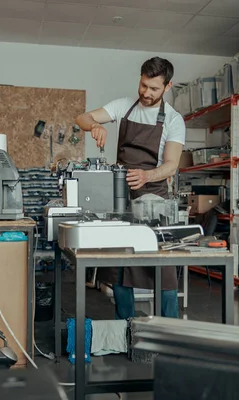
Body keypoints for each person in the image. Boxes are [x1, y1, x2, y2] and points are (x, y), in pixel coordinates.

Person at [75, 57, 186, 319]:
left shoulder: (173, 120)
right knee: (120, 270)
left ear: (167, 86)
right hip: (122, 200)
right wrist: (94, 125)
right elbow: (82, 116)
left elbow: (171, 164)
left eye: (154, 89)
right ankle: (126, 328)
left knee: (164, 273)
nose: (146, 93)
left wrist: (147, 176)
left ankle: (168, 332)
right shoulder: (124, 107)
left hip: (155, 202)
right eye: (143, 85)